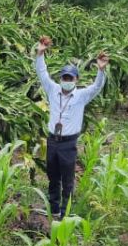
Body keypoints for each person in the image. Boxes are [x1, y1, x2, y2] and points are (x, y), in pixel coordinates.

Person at [34, 36, 108, 220]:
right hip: (52, 141)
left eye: (70, 77)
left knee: (67, 181)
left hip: (68, 143)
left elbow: (97, 87)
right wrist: (40, 53)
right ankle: (55, 210)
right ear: (61, 78)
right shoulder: (53, 89)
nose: (66, 80)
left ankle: (65, 214)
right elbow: (42, 73)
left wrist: (101, 70)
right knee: (53, 178)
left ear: (76, 79)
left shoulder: (82, 95)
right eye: (64, 77)